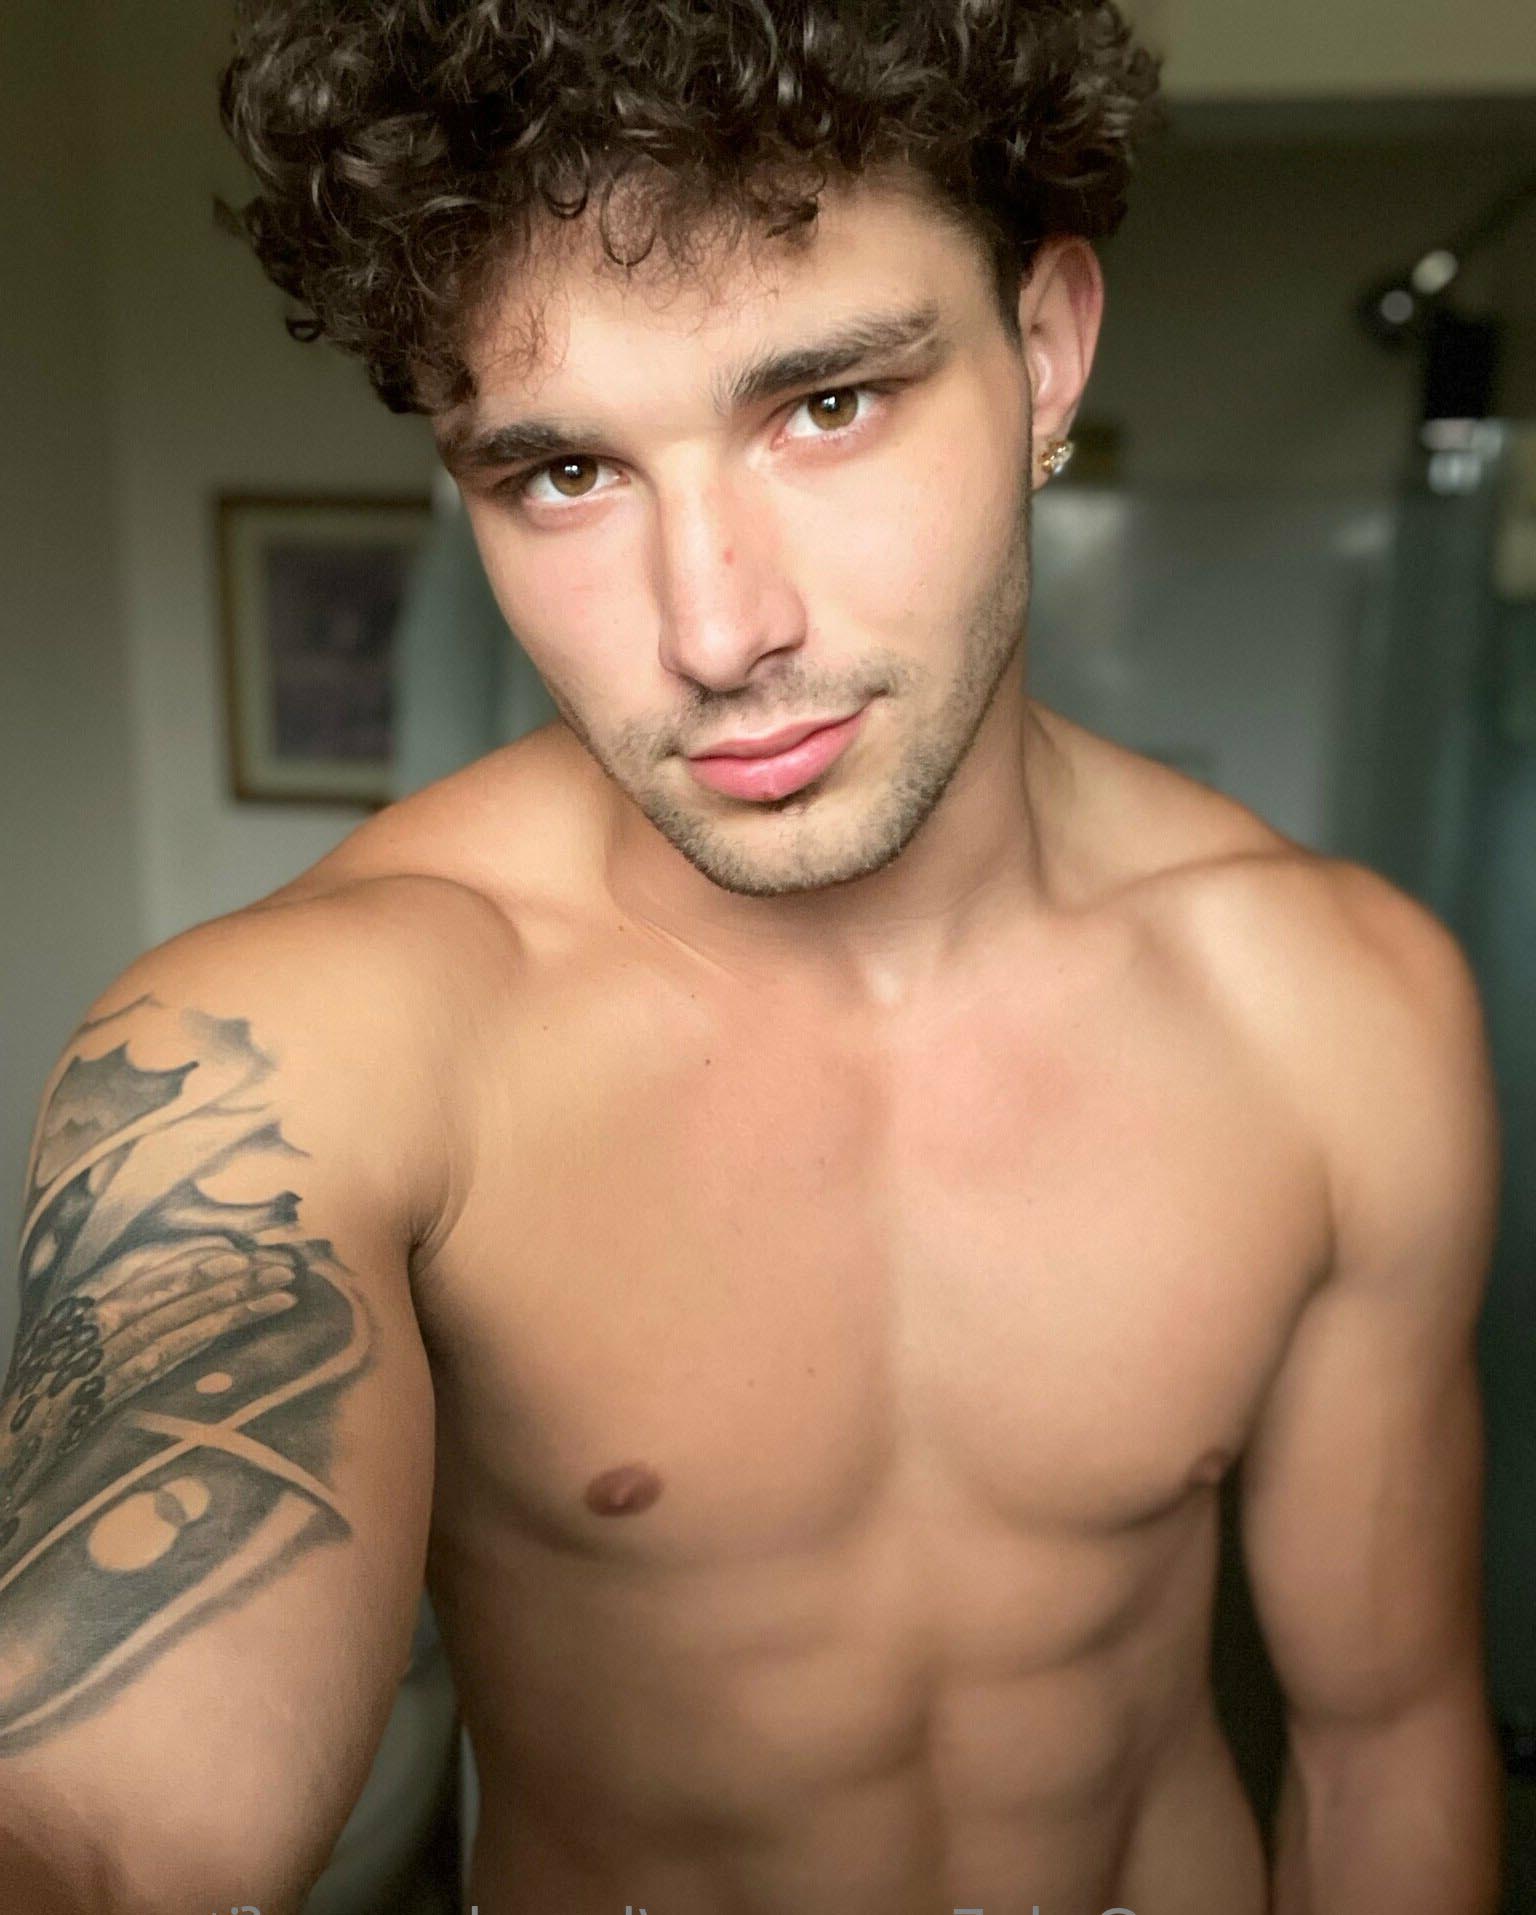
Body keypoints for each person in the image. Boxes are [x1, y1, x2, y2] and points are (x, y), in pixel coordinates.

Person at [0, 2, 1506, 1910]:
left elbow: (1387, 1741)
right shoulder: (290, 1049)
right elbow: (98, 1822)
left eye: (827, 405)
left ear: (1047, 348)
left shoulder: (1341, 1010)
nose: (715, 632)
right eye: (564, 473)